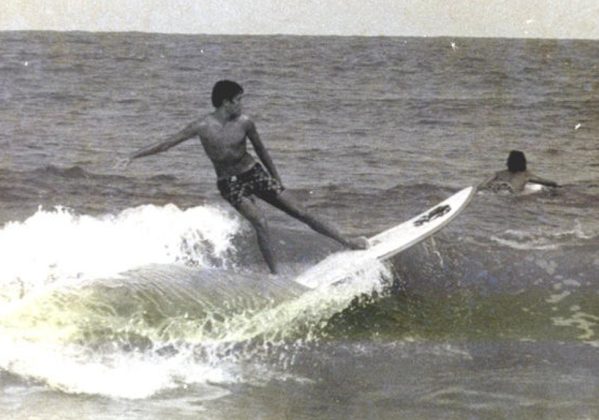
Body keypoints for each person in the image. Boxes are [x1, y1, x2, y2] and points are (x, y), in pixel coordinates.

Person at [119, 80, 369, 274]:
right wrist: (133, 156)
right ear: (226, 102)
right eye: (239, 100)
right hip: (229, 184)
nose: (242, 104)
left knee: (301, 212)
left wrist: (276, 178)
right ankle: (276, 276)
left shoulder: (245, 122)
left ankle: (347, 241)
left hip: (254, 172)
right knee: (260, 222)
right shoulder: (202, 127)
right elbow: (166, 143)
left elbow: (261, 150)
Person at [478, 150, 559, 193]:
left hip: (497, 189)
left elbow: (481, 186)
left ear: (508, 162)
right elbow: (544, 181)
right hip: (511, 192)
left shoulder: (497, 173)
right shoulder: (526, 175)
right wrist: (555, 184)